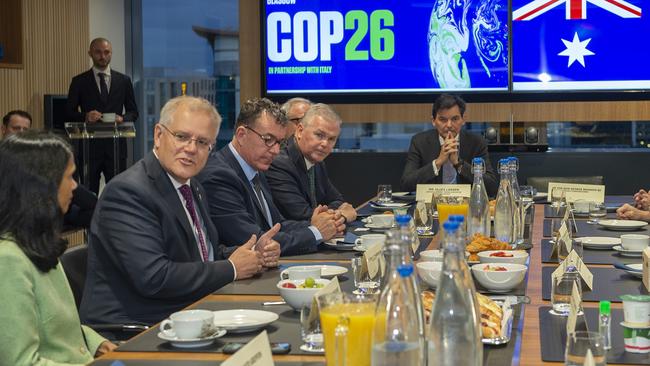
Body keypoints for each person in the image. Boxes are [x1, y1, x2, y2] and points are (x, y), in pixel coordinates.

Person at [80, 96, 280, 326]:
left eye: (203, 142)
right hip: (135, 329)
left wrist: (252, 254)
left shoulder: (191, 185)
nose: (191, 149)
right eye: (182, 137)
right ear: (158, 135)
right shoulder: (128, 192)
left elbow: (201, 253)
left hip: (188, 314)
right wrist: (232, 268)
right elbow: (155, 277)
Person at [0, 131, 116, 365]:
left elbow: (59, 330)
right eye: (70, 177)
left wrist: (96, 343)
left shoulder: (39, 244)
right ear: (42, 187)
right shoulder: (8, 260)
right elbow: (21, 361)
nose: (74, 187)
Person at [198, 98, 344, 256]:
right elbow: (257, 240)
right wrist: (315, 232)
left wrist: (320, 225)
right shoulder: (219, 176)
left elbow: (276, 224)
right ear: (241, 135)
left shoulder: (256, 168)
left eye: (279, 143)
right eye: (268, 140)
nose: (275, 150)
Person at [65, 37, 139, 194]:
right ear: (90, 53)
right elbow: (68, 113)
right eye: (98, 52)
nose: (102, 56)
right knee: (88, 195)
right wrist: (85, 116)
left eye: (106, 52)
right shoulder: (79, 81)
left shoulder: (124, 81)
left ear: (111, 54)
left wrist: (122, 118)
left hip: (116, 149)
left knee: (118, 194)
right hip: (89, 150)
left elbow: (134, 112)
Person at [266, 103, 357, 222]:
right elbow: (303, 216)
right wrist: (342, 215)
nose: (325, 144)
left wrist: (334, 212)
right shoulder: (279, 164)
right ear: (299, 131)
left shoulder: (317, 161)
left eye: (331, 139)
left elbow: (337, 200)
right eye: (319, 135)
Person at [400, 94, 498, 196]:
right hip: (431, 206)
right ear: (433, 121)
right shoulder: (420, 142)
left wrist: (458, 163)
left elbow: (491, 187)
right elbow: (406, 184)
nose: (449, 125)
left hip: (466, 206)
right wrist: (437, 163)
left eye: (455, 119)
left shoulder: (476, 142)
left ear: (463, 119)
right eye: (443, 120)